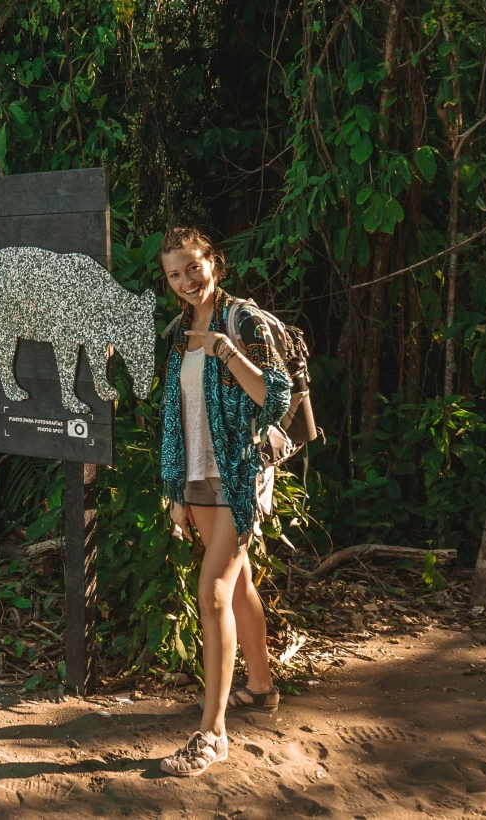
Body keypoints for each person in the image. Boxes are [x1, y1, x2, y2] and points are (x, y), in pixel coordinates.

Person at [156, 227, 292, 777]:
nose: (186, 280)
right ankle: (260, 688)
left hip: (239, 474)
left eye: (193, 266)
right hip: (198, 474)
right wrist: (175, 490)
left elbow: (274, 396)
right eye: (175, 274)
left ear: (213, 262)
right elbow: (174, 416)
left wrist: (226, 351)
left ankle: (212, 734)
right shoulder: (176, 333)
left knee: (211, 591)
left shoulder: (244, 320)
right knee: (238, 586)